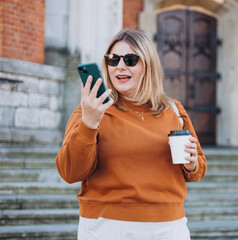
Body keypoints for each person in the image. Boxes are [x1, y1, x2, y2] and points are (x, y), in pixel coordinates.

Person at [55, 29, 207, 240]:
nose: (120, 66)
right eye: (112, 59)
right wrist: (89, 123)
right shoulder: (92, 109)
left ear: (148, 64)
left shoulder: (174, 110)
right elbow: (69, 172)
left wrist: (191, 164)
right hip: (106, 227)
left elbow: (198, 167)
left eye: (130, 59)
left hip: (169, 227)